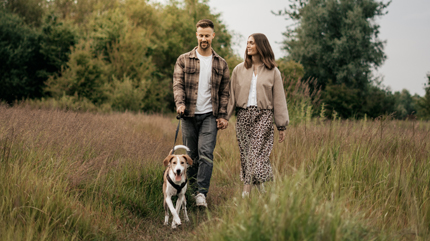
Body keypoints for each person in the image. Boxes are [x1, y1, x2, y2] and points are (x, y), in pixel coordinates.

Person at [173, 19, 230, 208]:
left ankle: (201, 194)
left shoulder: (221, 64)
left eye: (207, 35)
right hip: (188, 115)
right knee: (192, 157)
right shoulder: (183, 59)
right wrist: (180, 104)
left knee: (206, 153)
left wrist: (222, 115)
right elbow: (178, 85)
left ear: (213, 36)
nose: (204, 38)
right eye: (201, 35)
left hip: (209, 116)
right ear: (196, 35)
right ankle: (191, 190)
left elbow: (224, 92)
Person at [226, 33, 289, 197]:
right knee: (246, 154)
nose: (248, 46)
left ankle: (246, 191)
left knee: (255, 153)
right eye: (247, 43)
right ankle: (262, 190)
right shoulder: (238, 70)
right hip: (243, 116)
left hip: (264, 116)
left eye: (252, 43)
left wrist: (281, 125)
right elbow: (231, 96)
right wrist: (224, 117)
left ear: (261, 46)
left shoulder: (273, 72)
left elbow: (279, 100)